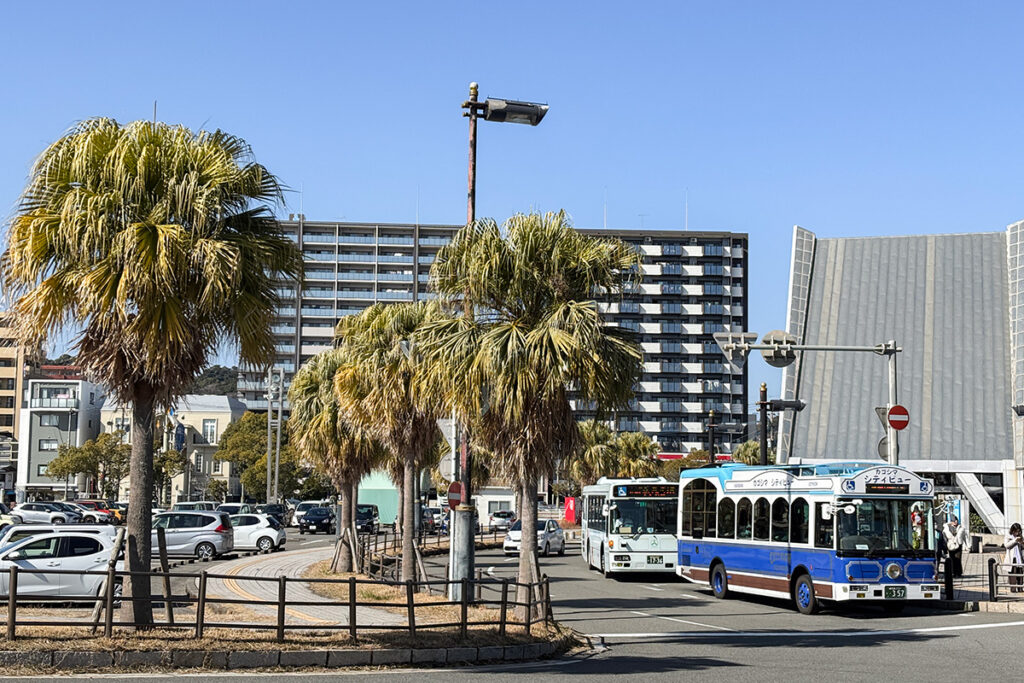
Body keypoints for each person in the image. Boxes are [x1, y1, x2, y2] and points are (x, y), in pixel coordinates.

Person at [1004, 523, 1024, 593]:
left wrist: (1022, 542)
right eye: (1016, 531)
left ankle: (1020, 588)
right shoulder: (1008, 536)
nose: (1017, 533)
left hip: (1019, 557)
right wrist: (1015, 540)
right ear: (1012, 530)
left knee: (1020, 573)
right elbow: (1006, 545)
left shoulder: (1020, 536)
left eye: (1018, 531)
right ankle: (1013, 589)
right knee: (1013, 573)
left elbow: (1022, 547)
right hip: (1012, 558)